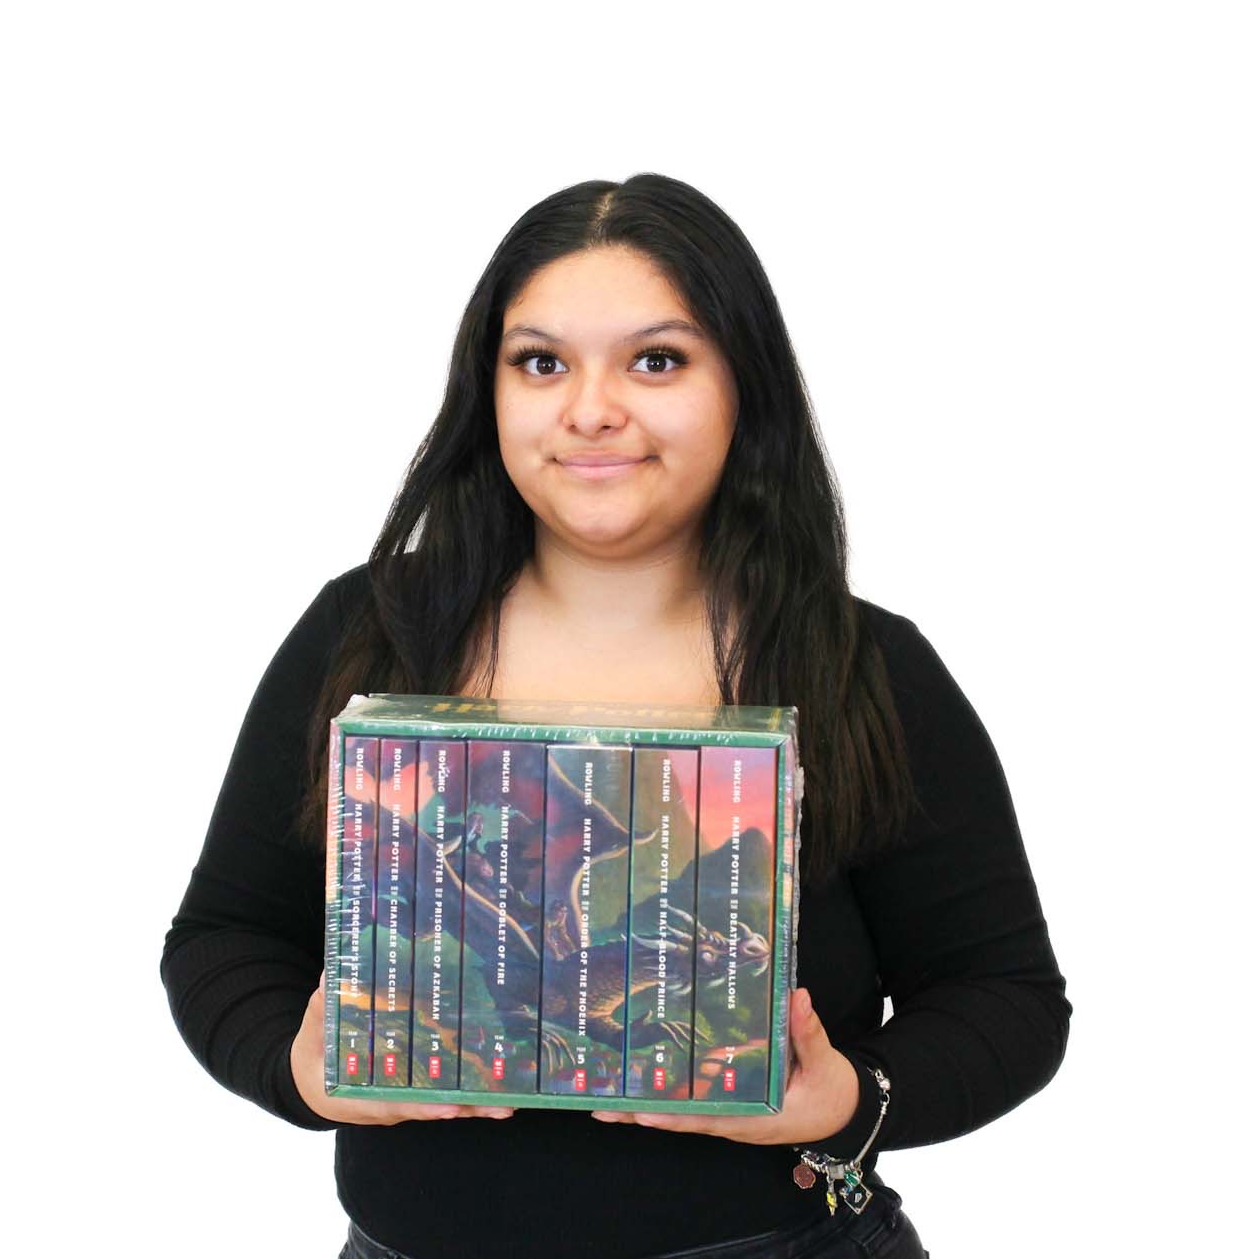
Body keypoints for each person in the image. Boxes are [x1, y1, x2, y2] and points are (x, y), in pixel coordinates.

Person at [161, 173, 1070, 1259]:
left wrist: (851, 1099)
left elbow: (1006, 998)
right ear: (488, 390)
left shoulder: (864, 665)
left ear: (743, 386)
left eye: (657, 360)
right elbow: (223, 939)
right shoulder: (371, 630)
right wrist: (296, 1065)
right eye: (541, 362)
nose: (590, 409)